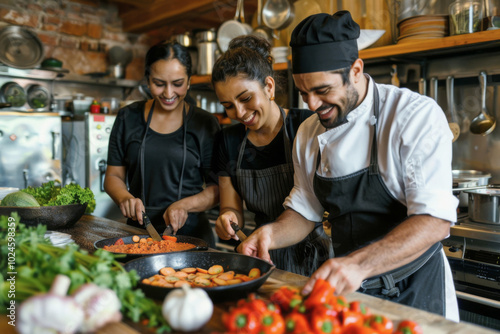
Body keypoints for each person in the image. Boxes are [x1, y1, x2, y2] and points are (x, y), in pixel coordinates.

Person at [238, 11, 460, 320]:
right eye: (304, 93)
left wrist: (358, 265)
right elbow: (306, 209)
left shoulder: (413, 116)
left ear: (356, 69)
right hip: (351, 293)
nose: (312, 106)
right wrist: (271, 235)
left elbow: (435, 220)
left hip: (416, 288)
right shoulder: (309, 132)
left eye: (323, 90)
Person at [211, 35, 333, 276]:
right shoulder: (228, 141)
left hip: (317, 259)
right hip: (261, 257)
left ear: (269, 86)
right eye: (228, 105)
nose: (240, 112)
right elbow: (231, 208)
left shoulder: (306, 127)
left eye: (245, 98)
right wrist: (227, 219)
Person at [105, 41, 220, 247]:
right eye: (159, 83)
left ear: (189, 81)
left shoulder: (205, 123)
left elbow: (218, 189)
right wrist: (125, 198)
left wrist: (185, 205)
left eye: (177, 83)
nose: (168, 93)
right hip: (138, 235)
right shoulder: (127, 118)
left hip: (193, 237)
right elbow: (113, 175)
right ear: (147, 81)